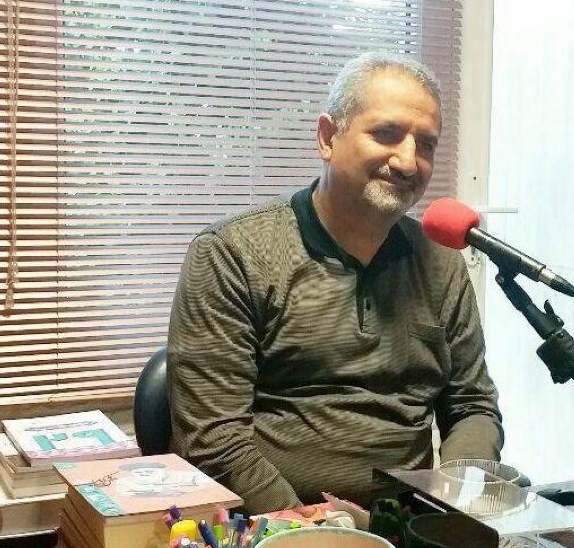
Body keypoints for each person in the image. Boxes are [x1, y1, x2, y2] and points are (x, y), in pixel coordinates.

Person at [168, 51, 502, 513]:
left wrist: (453, 507)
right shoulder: (232, 254)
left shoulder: (440, 262)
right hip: (275, 529)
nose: (408, 162)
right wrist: (312, 531)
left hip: (407, 525)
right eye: (387, 134)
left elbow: (472, 405)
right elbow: (213, 438)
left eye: (426, 144)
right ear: (328, 137)